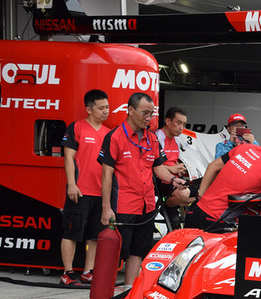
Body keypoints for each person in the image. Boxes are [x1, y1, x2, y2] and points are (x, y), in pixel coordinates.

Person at [99, 93, 186, 286]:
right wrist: (106, 208)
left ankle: (128, 291)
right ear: (130, 110)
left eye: (151, 113)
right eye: (145, 112)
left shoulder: (152, 138)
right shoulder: (114, 137)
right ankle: (105, 293)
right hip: (122, 205)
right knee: (117, 252)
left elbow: (157, 167)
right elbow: (106, 175)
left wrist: (173, 180)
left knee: (138, 250)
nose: (149, 117)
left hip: (146, 205)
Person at [186, 131, 261, 231]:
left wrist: (200, 196)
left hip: (196, 211)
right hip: (216, 223)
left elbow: (212, 166)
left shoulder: (245, 147)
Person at [59, 89, 111, 286]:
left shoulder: (108, 133)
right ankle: (67, 273)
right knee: (71, 233)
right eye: (101, 108)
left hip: (101, 193)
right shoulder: (76, 128)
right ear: (89, 109)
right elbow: (69, 158)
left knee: (94, 236)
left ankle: (88, 272)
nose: (106, 111)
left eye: (107, 107)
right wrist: (72, 184)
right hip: (79, 191)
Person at [156, 107, 198, 213]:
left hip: (176, 178)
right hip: (161, 179)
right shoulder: (157, 137)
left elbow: (173, 161)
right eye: (179, 123)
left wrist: (180, 167)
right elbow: (153, 165)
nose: (181, 128)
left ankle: (174, 205)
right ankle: (167, 207)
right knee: (183, 194)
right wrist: (171, 169)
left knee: (204, 192)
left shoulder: (177, 139)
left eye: (184, 125)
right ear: (168, 121)